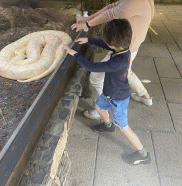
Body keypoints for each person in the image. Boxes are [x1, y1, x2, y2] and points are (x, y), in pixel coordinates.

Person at [71, 0, 155, 120]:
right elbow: (112, 6)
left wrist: (86, 25)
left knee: (95, 78)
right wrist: (87, 18)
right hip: (132, 46)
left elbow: (111, 14)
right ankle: (146, 97)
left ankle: (99, 111)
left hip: (124, 49)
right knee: (127, 72)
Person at [64, 19, 151, 165]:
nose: (107, 43)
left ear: (114, 44)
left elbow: (92, 67)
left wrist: (74, 54)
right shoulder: (123, 48)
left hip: (118, 100)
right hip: (109, 93)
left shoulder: (118, 61)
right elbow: (107, 44)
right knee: (98, 106)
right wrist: (89, 39)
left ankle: (143, 153)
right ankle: (108, 125)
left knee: (123, 127)